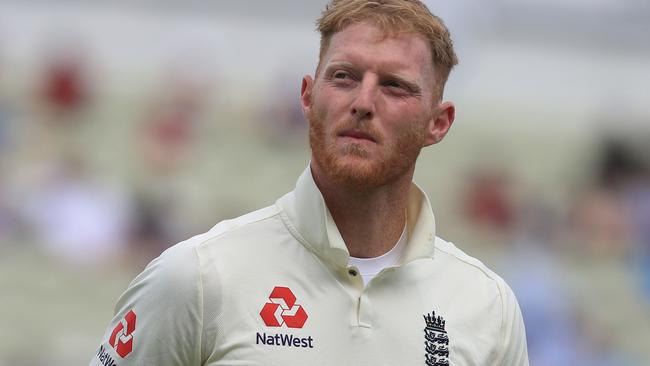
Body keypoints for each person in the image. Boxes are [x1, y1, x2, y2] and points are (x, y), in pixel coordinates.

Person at [90, 1, 529, 365]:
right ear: (306, 96)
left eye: (394, 87)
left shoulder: (488, 308)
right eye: (344, 77)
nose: (362, 102)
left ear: (438, 123)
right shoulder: (196, 277)